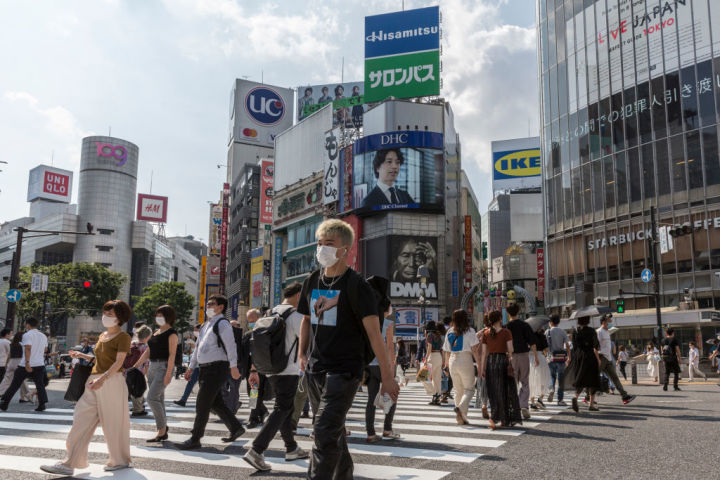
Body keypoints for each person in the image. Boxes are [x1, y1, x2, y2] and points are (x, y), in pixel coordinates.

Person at [297, 219, 399, 479]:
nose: (322, 249)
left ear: (345, 250)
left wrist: (388, 378)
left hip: (345, 370)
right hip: (315, 369)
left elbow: (375, 335)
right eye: (319, 244)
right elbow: (306, 320)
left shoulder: (357, 286)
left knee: (323, 430)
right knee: (333, 432)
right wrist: (301, 353)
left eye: (329, 244)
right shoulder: (311, 281)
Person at [40, 300, 133, 475]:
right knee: (81, 419)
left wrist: (103, 379)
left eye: (111, 314)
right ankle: (70, 462)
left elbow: (119, 362)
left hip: (111, 381)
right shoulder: (102, 336)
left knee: (113, 423)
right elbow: (100, 360)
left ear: (120, 317)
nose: (106, 317)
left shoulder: (123, 337)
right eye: (106, 313)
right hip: (93, 380)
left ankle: (119, 460)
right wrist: (81, 355)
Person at [242, 282, 309, 471]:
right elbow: (306, 342)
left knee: (284, 408)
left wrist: (254, 370)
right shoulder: (296, 316)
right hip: (288, 369)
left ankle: (291, 448)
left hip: (270, 369)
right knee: (283, 408)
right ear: (298, 295)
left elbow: (259, 344)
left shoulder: (270, 313)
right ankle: (257, 449)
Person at [175, 294, 245, 450]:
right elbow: (198, 348)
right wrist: (191, 367)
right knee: (216, 403)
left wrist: (233, 366)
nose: (208, 307)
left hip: (217, 368)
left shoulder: (223, 323)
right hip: (205, 368)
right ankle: (236, 428)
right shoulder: (206, 325)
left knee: (202, 403)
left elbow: (231, 345)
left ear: (221, 307)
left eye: (212, 304)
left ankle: (195, 438)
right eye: (208, 304)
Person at [133, 305, 178, 442]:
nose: (158, 318)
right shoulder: (156, 332)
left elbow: (172, 355)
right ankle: (163, 429)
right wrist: (136, 365)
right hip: (152, 366)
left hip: (164, 367)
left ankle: (162, 430)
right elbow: (148, 351)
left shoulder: (172, 333)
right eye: (157, 315)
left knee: (151, 398)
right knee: (159, 399)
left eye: (161, 315)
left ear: (168, 317)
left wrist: (168, 374)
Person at [364, 276, 399, 443]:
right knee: (392, 395)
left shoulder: (368, 317)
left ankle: (370, 433)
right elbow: (390, 348)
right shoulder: (388, 322)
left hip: (369, 364)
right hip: (383, 364)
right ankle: (387, 428)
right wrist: (391, 369)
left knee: (371, 400)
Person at [480, 310, 522, 430]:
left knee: (493, 391)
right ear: (499, 318)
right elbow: (511, 349)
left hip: (490, 363)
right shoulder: (506, 332)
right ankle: (502, 418)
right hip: (502, 361)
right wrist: (509, 353)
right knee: (505, 390)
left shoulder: (486, 333)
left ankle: (495, 416)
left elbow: (484, 353)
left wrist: (482, 369)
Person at [442, 309, 481, 425]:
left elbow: (447, 351)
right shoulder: (470, 331)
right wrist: (479, 364)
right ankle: (460, 408)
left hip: (453, 360)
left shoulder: (449, 331)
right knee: (469, 389)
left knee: (458, 390)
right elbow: (474, 350)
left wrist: (446, 366)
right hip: (465, 359)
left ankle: (461, 418)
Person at [0, 317, 48, 412]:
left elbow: (28, 349)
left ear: (28, 325)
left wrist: (27, 363)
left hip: (26, 364)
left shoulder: (27, 335)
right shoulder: (43, 336)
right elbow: (45, 350)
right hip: (39, 363)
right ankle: (42, 404)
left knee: (15, 383)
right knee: (40, 384)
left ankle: (5, 403)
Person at [504, 303, 537, 419]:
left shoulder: (506, 326)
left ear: (508, 313)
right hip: (523, 354)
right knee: (525, 381)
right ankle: (523, 405)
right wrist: (536, 358)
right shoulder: (525, 325)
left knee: (512, 382)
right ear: (518, 312)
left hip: (510, 356)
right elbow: (532, 342)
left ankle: (513, 406)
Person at [596, 315, 635, 405]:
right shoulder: (599, 332)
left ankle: (625, 397)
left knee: (614, 378)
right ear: (603, 322)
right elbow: (595, 346)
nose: (609, 322)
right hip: (601, 358)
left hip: (608, 358)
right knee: (594, 377)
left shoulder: (607, 332)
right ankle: (587, 396)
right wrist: (597, 358)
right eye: (607, 321)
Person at [567, 316, 601, 413]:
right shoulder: (591, 331)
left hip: (578, 356)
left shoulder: (575, 331)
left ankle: (575, 397)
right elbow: (596, 346)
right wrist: (598, 358)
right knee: (593, 380)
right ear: (588, 321)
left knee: (580, 378)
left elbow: (574, 345)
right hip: (590, 355)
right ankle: (591, 405)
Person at [246, 308, 269, 429]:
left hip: (258, 370)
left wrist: (254, 369)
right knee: (253, 394)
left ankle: (253, 418)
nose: (250, 323)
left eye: (252, 320)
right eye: (248, 320)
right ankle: (262, 412)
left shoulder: (264, 334)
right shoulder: (248, 334)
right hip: (249, 370)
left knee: (254, 394)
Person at [545, 315, 570, 406]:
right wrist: (569, 357)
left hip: (550, 357)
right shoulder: (562, 331)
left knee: (552, 376)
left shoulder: (547, 332)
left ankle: (551, 389)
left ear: (550, 322)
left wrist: (545, 355)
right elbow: (567, 345)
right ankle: (560, 400)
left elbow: (545, 346)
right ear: (558, 322)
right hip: (561, 358)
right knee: (561, 379)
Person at [174, 324, 201, 406]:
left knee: (205, 386)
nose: (194, 332)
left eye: (196, 330)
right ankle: (183, 400)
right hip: (196, 367)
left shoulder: (204, 339)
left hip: (203, 366)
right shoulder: (197, 339)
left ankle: (210, 403)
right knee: (190, 384)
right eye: (194, 330)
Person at [0, 332, 31, 402]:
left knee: (6, 379)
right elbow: (26, 354)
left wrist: (6, 363)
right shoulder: (23, 345)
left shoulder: (12, 344)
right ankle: (26, 396)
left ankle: (1, 392)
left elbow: (9, 355)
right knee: (23, 380)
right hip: (20, 362)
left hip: (11, 362)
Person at [129, 326, 152, 417]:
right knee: (139, 390)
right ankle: (137, 410)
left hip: (129, 370)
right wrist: (147, 376)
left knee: (133, 389)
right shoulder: (146, 347)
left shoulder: (132, 344)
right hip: (139, 372)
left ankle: (139, 408)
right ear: (147, 337)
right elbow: (146, 363)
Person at [529, 325, 551, 410]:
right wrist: (545, 354)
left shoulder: (528, 336)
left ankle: (532, 402)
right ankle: (540, 398)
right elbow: (546, 349)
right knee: (545, 378)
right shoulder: (542, 336)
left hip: (529, 358)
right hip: (540, 358)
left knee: (532, 380)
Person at [424, 321, 444, 405]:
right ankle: (437, 397)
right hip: (439, 356)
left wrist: (426, 358)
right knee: (437, 379)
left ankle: (434, 393)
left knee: (424, 377)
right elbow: (442, 349)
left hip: (432, 356)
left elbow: (429, 347)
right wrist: (443, 360)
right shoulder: (439, 335)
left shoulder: (430, 335)